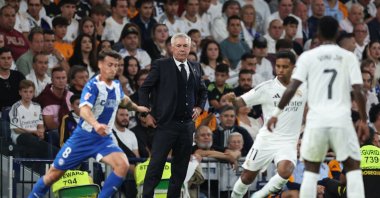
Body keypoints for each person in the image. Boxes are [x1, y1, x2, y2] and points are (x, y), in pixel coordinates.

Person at [266, 16, 369, 198]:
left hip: (317, 120)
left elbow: (292, 87)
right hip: (340, 119)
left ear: (318, 34)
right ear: (338, 32)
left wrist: (276, 113)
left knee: (311, 172)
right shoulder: (348, 57)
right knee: (353, 169)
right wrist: (363, 119)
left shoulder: (308, 56)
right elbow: (359, 91)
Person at [28, 50, 150, 198]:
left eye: (116, 65)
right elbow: (84, 110)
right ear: (100, 64)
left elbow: (124, 100)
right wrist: (96, 124)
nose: (114, 68)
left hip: (103, 138)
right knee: (53, 175)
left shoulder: (117, 85)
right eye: (110, 65)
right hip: (83, 138)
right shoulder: (93, 85)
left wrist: (137, 108)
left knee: (122, 164)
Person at [225, 50, 307, 198]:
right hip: (266, 140)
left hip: (288, 142)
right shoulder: (266, 88)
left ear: (293, 67)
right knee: (247, 178)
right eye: (278, 66)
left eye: (285, 67)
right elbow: (239, 102)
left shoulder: (303, 86)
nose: (280, 70)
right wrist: (233, 99)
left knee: (285, 172)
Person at [138, 33, 207, 197]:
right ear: (171, 48)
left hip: (186, 127)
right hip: (165, 125)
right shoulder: (161, 65)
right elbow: (144, 89)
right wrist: (145, 113)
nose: (182, 49)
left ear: (190, 48)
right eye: (179, 46)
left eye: (185, 46)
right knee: (156, 166)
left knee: (180, 169)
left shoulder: (195, 66)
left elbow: (203, 91)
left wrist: (199, 107)